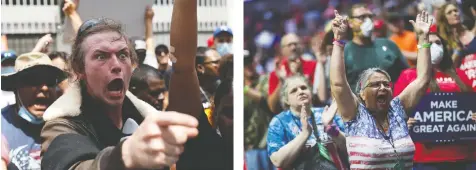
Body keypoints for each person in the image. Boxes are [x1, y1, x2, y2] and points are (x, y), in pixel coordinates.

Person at [39, 17, 199, 170]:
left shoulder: (146, 118)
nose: (116, 65)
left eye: (123, 55)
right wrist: (126, 155)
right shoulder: (61, 126)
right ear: (80, 69)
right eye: (101, 56)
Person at [330, 10, 433, 169]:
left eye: (386, 84)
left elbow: (423, 79)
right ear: (362, 93)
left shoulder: (397, 109)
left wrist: (424, 38)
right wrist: (338, 41)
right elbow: (338, 84)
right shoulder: (355, 115)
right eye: (375, 85)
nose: (383, 87)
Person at [395, 25, 475, 170]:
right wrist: (404, 121)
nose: (434, 47)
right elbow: (394, 112)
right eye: (429, 43)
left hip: (464, 155)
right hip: (426, 157)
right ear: (421, 47)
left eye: (438, 43)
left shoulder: (461, 75)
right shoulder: (408, 76)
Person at [169, 2, 233, 168]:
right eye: (230, 112)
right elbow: (182, 66)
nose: (237, 122)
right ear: (215, 115)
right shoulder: (205, 149)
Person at [266, 76, 346, 169]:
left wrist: (331, 129)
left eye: (304, 88)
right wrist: (304, 134)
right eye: (294, 90)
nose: (300, 92)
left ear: (311, 93)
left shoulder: (326, 113)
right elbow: (277, 161)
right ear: (286, 100)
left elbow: (350, 147)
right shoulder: (279, 122)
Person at [1, 52, 65, 170]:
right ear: (16, 87)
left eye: (50, 81)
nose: (44, 88)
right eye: (34, 79)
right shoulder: (2, 125)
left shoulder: (68, 126)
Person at [344, 4, 409, 93]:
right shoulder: (345, 51)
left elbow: (406, 75)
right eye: (362, 17)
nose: (368, 20)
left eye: (370, 16)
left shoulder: (388, 45)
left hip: (389, 102)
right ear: (350, 23)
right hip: (357, 104)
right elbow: (337, 86)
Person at [267, 33, 317, 114]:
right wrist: (281, 82)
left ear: (301, 46)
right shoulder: (276, 73)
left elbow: (318, 97)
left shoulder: (313, 65)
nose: (293, 47)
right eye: (289, 45)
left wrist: (299, 74)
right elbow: (272, 107)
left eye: (296, 44)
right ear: (282, 50)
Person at [244, 50, 274, 170]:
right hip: (251, 146)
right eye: (244, 63)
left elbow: (265, 99)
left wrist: (245, 90)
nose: (248, 66)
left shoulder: (264, 79)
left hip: (269, 143)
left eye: (249, 62)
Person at [437, 2, 476, 91]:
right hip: (464, 84)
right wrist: (458, 50)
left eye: (455, 10)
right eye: (449, 12)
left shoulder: (472, 32)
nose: (455, 13)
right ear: (444, 18)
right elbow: (449, 68)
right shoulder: (443, 41)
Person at [195, 47, 222, 127]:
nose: (221, 65)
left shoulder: (222, 88)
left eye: (221, 61)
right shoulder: (190, 95)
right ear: (200, 68)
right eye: (216, 62)